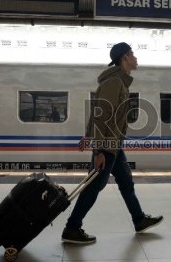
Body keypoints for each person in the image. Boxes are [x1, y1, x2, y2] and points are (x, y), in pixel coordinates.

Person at [61, 42, 163, 244]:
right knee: (94, 187)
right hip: (107, 147)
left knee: (126, 183)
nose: (136, 58)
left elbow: (99, 113)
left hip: (114, 145)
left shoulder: (120, 83)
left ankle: (139, 219)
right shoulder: (114, 83)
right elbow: (101, 115)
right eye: (133, 54)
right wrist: (97, 149)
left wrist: (89, 136)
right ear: (124, 58)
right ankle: (72, 228)